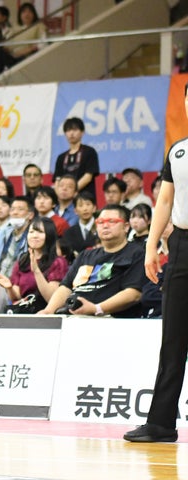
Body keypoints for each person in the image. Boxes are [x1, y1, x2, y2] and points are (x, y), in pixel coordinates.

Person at [123, 91, 188, 441]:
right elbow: (164, 200)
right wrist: (151, 246)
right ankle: (161, 423)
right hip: (181, 245)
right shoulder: (177, 151)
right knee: (173, 337)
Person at [39, 204, 147, 318]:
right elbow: (65, 287)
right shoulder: (85, 255)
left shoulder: (137, 253)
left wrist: (96, 308)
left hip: (110, 318)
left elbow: (133, 294)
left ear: (126, 227)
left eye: (112, 221)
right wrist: (48, 311)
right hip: (72, 316)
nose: (105, 226)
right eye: (100, 222)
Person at [0, 217, 67, 313]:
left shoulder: (58, 262)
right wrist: (9, 288)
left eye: (40, 232)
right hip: (24, 313)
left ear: (49, 235)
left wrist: (36, 271)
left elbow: (51, 298)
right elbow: (17, 297)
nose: (34, 236)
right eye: (31, 232)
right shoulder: (22, 261)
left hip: (44, 314)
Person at [0, 196, 34, 276]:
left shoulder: (33, 237)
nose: (15, 213)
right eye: (12, 209)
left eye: (20, 209)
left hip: (18, 280)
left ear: (30, 215)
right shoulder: (3, 233)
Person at [53, 117, 100, 199]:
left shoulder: (89, 152)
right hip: (65, 199)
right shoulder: (61, 157)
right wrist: (60, 195)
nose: (71, 133)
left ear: (82, 132)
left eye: (75, 130)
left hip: (85, 199)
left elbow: (88, 177)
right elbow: (57, 180)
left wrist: (72, 191)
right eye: (68, 130)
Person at [62, 191, 99, 258]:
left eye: (88, 204)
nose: (85, 209)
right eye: (81, 205)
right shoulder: (69, 232)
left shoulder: (101, 228)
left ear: (94, 208)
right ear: (75, 211)